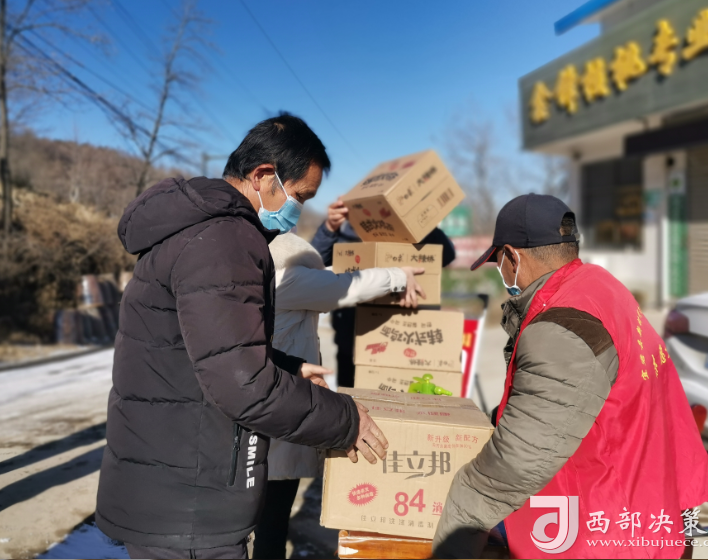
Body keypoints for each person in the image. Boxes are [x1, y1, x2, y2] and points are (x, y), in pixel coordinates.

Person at [95, 114, 388, 560]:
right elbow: (244, 386)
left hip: (172, 482)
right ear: (264, 176)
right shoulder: (224, 240)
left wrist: (285, 366)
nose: (297, 210)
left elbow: (201, 346)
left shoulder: (198, 230)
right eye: (300, 196)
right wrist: (345, 420)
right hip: (190, 503)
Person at [432, 194, 708, 559]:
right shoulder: (599, 286)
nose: (500, 273)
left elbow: (515, 465)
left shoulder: (560, 327)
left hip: (605, 528)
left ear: (512, 257)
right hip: (643, 498)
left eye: (498, 262)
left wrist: (458, 522)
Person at [252, 232, 427, 559]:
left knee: (267, 515)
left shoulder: (268, 275)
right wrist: (399, 275)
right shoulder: (288, 279)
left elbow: (333, 277)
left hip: (272, 403)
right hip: (283, 406)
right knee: (272, 518)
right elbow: (347, 286)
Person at [310, 199, 457, 387]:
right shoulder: (344, 233)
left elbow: (448, 254)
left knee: (405, 394)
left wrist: (418, 221)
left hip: (405, 333)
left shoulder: (412, 232)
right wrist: (329, 228)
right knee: (351, 397)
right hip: (352, 336)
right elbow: (313, 261)